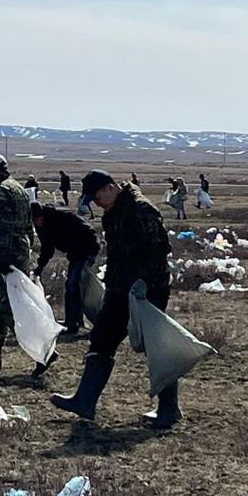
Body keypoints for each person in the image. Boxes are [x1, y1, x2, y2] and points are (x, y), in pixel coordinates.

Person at [53, 170, 176, 428]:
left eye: (97, 197)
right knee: (102, 339)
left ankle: (168, 409)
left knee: (156, 347)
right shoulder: (115, 212)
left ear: (110, 188)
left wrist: (144, 286)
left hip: (146, 290)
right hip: (120, 289)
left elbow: (158, 250)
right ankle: (84, 400)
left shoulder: (140, 209)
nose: (96, 203)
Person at [0, 154, 47, 376]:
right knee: (8, 307)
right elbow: (27, 226)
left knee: (3, 307)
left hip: (8, 258)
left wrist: (1, 259)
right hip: (18, 254)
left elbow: (1, 228)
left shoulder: (1, 192)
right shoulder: (18, 189)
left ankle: (44, 353)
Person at [32, 202, 100, 334]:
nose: (36, 223)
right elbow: (47, 248)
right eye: (33, 221)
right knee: (74, 285)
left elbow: (88, 232)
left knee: (73, 284)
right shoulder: (41, 226)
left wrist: (91, 255)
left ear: (42, 215)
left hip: (87, 249)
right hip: (75, 254)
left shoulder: (61, 217)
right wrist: (39, 267)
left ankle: (73, 323)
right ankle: (74, 320)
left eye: (37, 219)